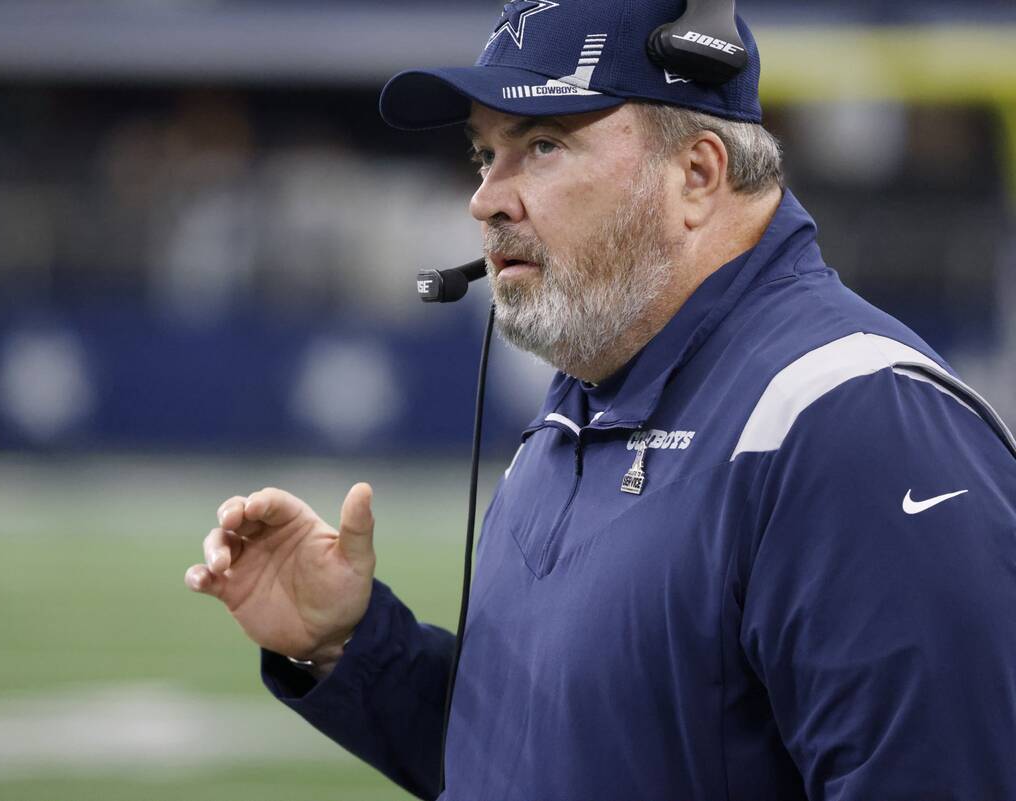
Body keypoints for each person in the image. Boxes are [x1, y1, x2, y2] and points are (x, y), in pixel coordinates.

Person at [185, 1, 1016, 799]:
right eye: (485, 155)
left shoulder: (849, 422)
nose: (486, 199)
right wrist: (352, 647)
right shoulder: (586, 399)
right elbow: (554, 753)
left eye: (542, 146)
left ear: (696, 174)